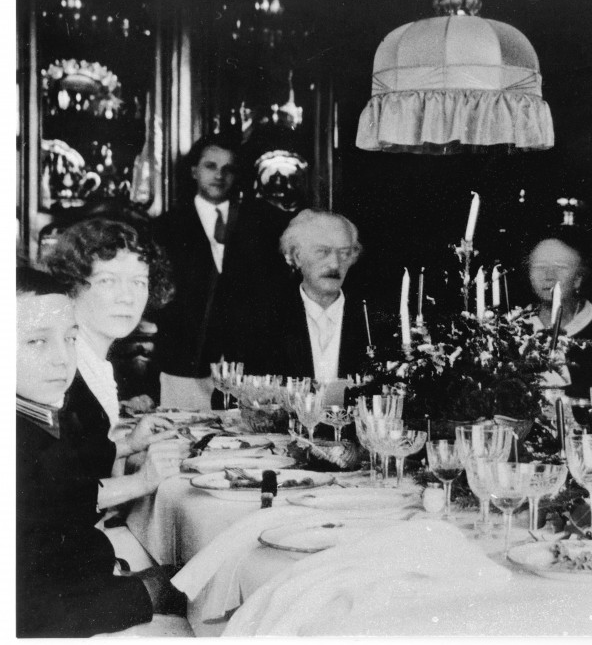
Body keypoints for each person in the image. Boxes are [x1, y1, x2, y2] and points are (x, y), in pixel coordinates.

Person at [16, 268, 183, 637]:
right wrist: (141, 593)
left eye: (70, 339)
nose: (62, 359)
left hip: (86, 571)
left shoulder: (33, 413)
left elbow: (55, 492)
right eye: (36, 342)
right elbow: (27, 613)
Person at [46, 218, 183, 507]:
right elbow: (50, 493)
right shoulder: (58, 370)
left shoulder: (90, 359)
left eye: (138, 282)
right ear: (72, 286)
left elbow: (73, 457)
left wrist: (128, 445)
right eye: (107, 281)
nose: (127, 297)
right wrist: (141, 482)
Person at [152, 133, 290, 409]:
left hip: (251, 368)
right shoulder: (165, 228)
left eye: (228, 168)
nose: (219, 175)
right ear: (193, 170)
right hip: (185, 365)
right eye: (210, 166)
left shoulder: (264, 224)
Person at [242, 209, 370, 382]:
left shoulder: (371, 319)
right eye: (322, 252)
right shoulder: (265, 320)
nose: (335, 263)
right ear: (297, 256)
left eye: (344, 253)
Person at [526, 226, 592, 399]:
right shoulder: (514, 329)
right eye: (539, 267)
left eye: (560, 267)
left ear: (578, 278)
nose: (548, 276)